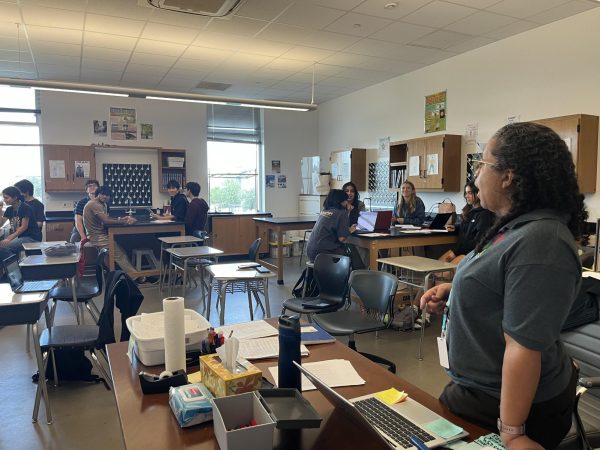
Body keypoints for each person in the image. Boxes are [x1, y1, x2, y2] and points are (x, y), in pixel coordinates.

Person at [420, 122, 586, 449]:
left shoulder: (542, 241)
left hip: (510, 408)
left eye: (481, 164)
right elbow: (501, 284)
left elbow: (524, 346)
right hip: (478, 390)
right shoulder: (512, 228)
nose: (476, 175)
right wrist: (455, 292)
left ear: (507, 176)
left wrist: (513, 432)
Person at [83, 186, 138, 275]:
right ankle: (135, 276)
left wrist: (121, 218)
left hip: (98, 234)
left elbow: (106, 218)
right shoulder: (94, 204)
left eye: (107, 195)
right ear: (98, 194)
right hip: (97, 237)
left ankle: (116, 275)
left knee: (122, 251)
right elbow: (106, 221)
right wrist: (126, 221)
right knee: (120, 255)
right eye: (103, 194)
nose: (105, 196)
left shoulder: (101, 204)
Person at [439, 181, 494, 265]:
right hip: (459, 250)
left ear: (478, 194)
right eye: (465, 193)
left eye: (469, 193)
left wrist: (455, 252)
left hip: (471, 253)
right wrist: (455, 228)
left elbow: (478, 241)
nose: (466, 196)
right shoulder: (468, 212)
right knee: (437, 265)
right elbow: (467, 230)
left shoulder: (484, 215)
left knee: (442, 273)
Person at [306, 189, 350, 262]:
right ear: (341, 201)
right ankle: (359, 272)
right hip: (324, 253)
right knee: (350, 253)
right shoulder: (342, 213)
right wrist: (349, 231)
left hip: (311, 252)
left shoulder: (324, 211)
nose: (347, 203)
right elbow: (342, 239)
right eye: (346, 200)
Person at [0, 186, 42, 261]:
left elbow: (24, 227)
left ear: (15, 197)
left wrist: (8, 239)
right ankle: (14, 267)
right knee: (3, 247)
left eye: (6, 198)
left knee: (3, 248)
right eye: (4, 198)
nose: (4, 200)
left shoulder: (25, 207)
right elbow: (1, 223)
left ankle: (16, 268)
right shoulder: (9, 209)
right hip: (22, 237)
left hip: (31, 237)